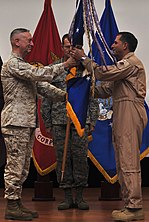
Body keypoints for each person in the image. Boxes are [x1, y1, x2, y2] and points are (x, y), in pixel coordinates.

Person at [71, 32, 148, 221]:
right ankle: (129, 204)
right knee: (123, 159)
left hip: (130, 108)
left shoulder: (131, 62)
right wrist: (79, 86)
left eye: (115, 43)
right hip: (122, 109)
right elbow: (104, 90)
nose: (111, 46)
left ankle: (134, 207)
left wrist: (83, 58)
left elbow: (104, 73)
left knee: (128, 159)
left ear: (126, 46)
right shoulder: (121, 70)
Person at [1, 28, 76, 221]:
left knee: (24, 166)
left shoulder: (24, 67)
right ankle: (11, 204)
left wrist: (68, 97)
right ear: (17, 42)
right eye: (29, 40)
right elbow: (40, 73)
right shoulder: (13, 65)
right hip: (15, 122)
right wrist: (65, 65)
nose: (32, 44)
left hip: (26, 122)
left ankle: (16, 203)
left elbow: (43, 87)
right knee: (15, 166)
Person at [41, 34, 99, 211]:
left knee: (80, 158)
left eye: (74, 47)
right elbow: (46, 98)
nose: (70, 51)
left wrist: (92, 120)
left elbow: (93, 97)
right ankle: (67, 196)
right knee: (63, 158)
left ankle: (80, 196)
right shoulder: (54, 69)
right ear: (62, 47)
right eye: (67, 47)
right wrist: (48, 122)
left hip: (81, 121)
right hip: (60, 122)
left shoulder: (87, 69)